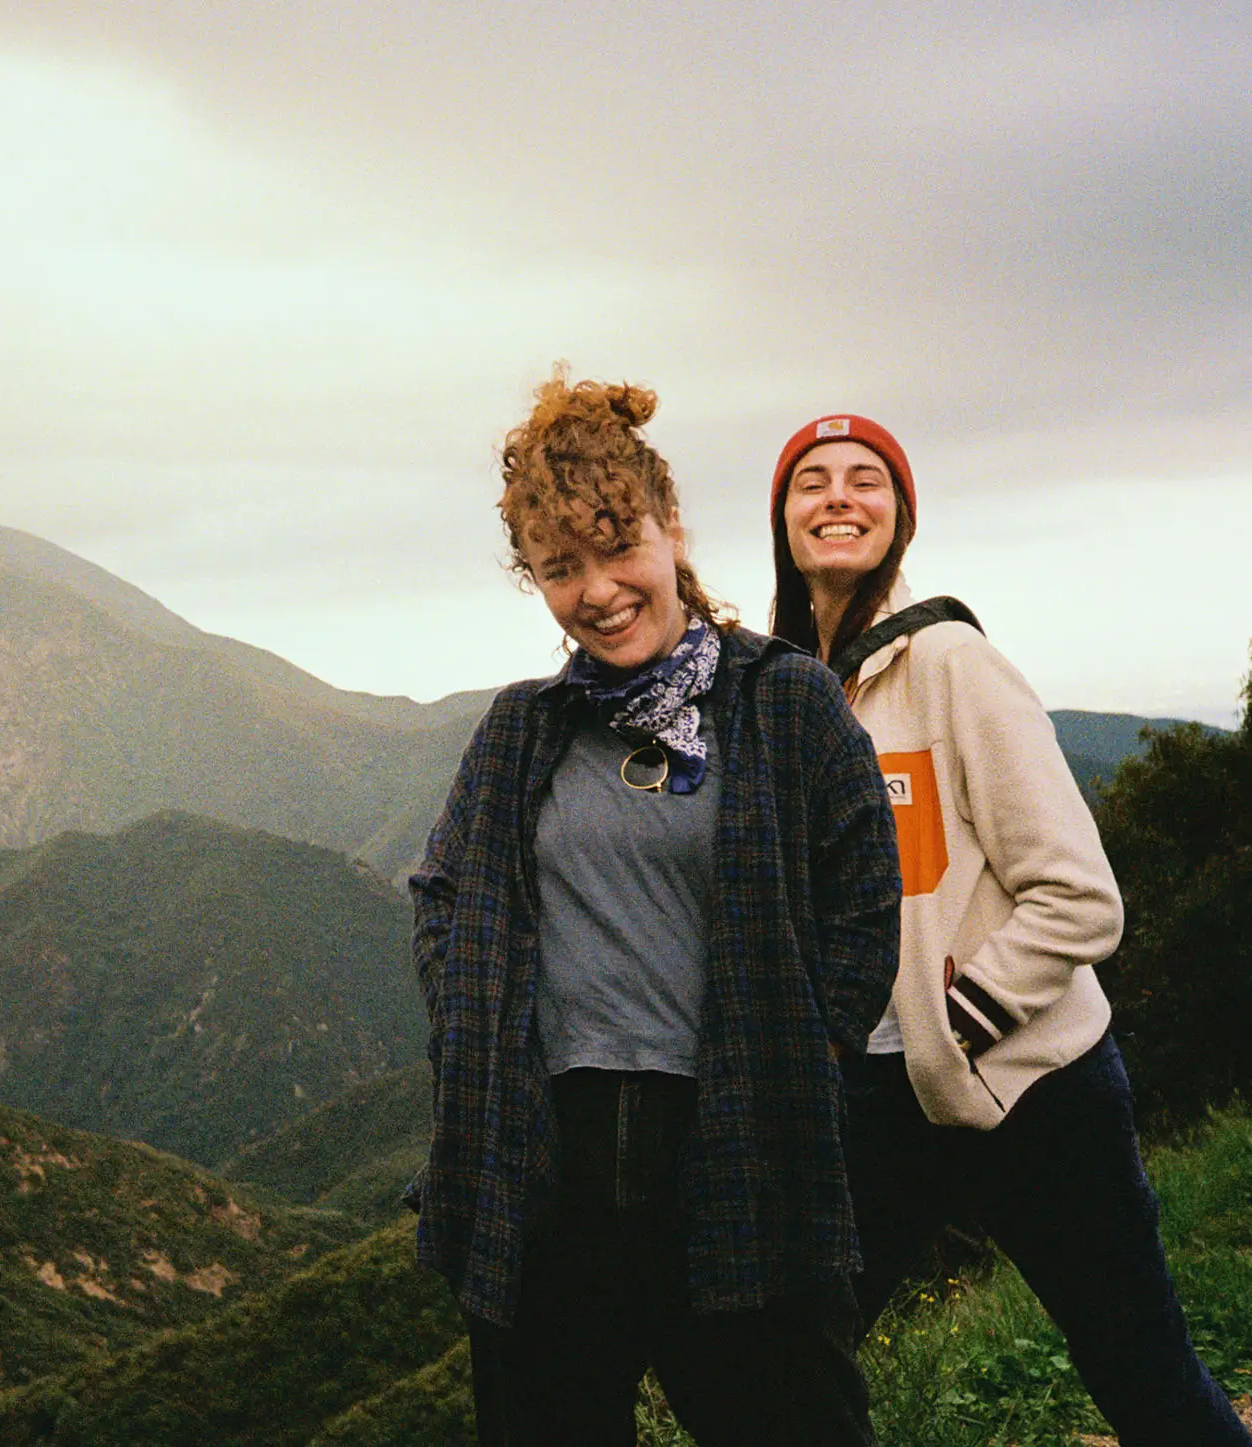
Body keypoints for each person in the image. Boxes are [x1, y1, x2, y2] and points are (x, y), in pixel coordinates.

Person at [408, 374, 902, 1447]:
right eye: (560, 567)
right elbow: (443, 890)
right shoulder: (523, 731)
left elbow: (865, 901)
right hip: (549, 1174)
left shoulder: (782, 702)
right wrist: (470, 1036)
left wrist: (805, 1054)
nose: (598, 589)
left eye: (616, 546)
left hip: (738, 1153)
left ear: (672, 529)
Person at [768, 413, 1252, 1446]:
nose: (838, 497)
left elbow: (1081, 896)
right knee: (786, 1359)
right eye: (812, 482)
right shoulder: (800, 693)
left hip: (1038, 1086)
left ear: (900, 517)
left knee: (1138, 1366)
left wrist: (959, 1018)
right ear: (784, 518)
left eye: (866, 480)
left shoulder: (951, 662)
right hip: (879, 1100)